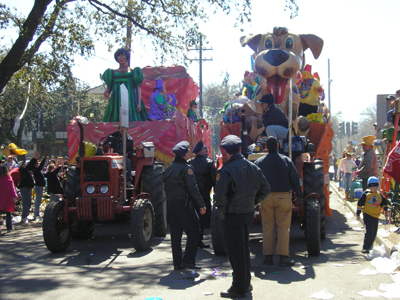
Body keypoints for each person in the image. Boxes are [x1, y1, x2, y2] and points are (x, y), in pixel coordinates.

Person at [214, 135, 270, 298]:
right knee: (243, 249)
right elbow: (265, 188)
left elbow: (220, 197)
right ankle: (245, 283)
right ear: (239, 149)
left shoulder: (226, 170)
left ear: (225, 151)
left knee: (236, 253)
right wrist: (253, 203)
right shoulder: (252, 167)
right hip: (247, 213)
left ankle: (239, 287)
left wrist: (223, 215)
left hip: (233, 215)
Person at [254, 136, 303, 268]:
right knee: (283, 227)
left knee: (267, 227)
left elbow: (254, 180)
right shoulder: (286, 160)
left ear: (265, 147)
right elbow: (295, 180)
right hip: (283, 197)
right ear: (277, 146)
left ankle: (268, 257)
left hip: (266, 198)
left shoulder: (259, 162)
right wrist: (300, 196)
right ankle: (283, 258)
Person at [163, 141, 206, 270]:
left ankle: (177, 262)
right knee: (194, 231)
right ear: (184, 154)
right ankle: (188, 260)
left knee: (176, 234)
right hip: (184, 204)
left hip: (171, 203)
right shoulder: (186, 169)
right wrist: (201, 205)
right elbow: (193, 189)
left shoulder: (168, 169)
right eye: (187, 152)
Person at [102, 48, 148, 122]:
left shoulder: (134, 72)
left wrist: (139, 103)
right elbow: (109, 87)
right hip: (117, 99)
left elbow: (138, 88)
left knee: (131, 119)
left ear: (126, 57)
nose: (121, 57)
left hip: (131, 99)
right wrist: (107, 92)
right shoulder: (112, 73)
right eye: (119, 56)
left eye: (123, 55)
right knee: (117, 119)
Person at [187, 141, 217, 248]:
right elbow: (214, 181)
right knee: (202, 218)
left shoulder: (189, 163)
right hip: (204, 195)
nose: (207, 151)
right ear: (202, 151)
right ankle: (198, 240)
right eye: (205, 149)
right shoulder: (209, 163)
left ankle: (193, 240)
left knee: (192, 218)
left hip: (191, 196)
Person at [356, 176, 389, 253]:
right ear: (369, 187)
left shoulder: (379, 194)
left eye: (376, 186)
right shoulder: (366, 194)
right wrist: (358, 213)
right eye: (373, 187)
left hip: (376, 215)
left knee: (374, 232)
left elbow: (383, 203)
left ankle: (371, 245)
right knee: (369, 230)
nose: (375, 188)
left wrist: (386, 209)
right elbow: (360, 203)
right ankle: (365, 247)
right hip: (367, 214)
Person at [18, 152, 39, 223]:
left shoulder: (25, 170)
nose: (25, 164)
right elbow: (29, 166)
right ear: (21, 165)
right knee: (26, 203)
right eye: (24, 163)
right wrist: (34, 159)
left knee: (28, 203)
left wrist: (35, 160)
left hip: (27, 188)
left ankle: (25, 216)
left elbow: (31, 166)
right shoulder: (22, 170)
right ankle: (24, 217)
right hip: (25, 189)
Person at [0, 166, 18, 233]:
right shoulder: (9, 179)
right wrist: (15, 196)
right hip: (7, 198)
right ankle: (9, 227)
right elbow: (12, 189)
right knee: (8, 213)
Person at [32, 154, 47, 221]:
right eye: (36, 163)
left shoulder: (36, 170)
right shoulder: (35, 170)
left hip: (39, 186)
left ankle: (36, 213)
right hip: (38, 186)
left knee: (38, 201)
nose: (37, 164)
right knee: (38, 201)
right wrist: (44, 159)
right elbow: (41, 166)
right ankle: (36, 214)